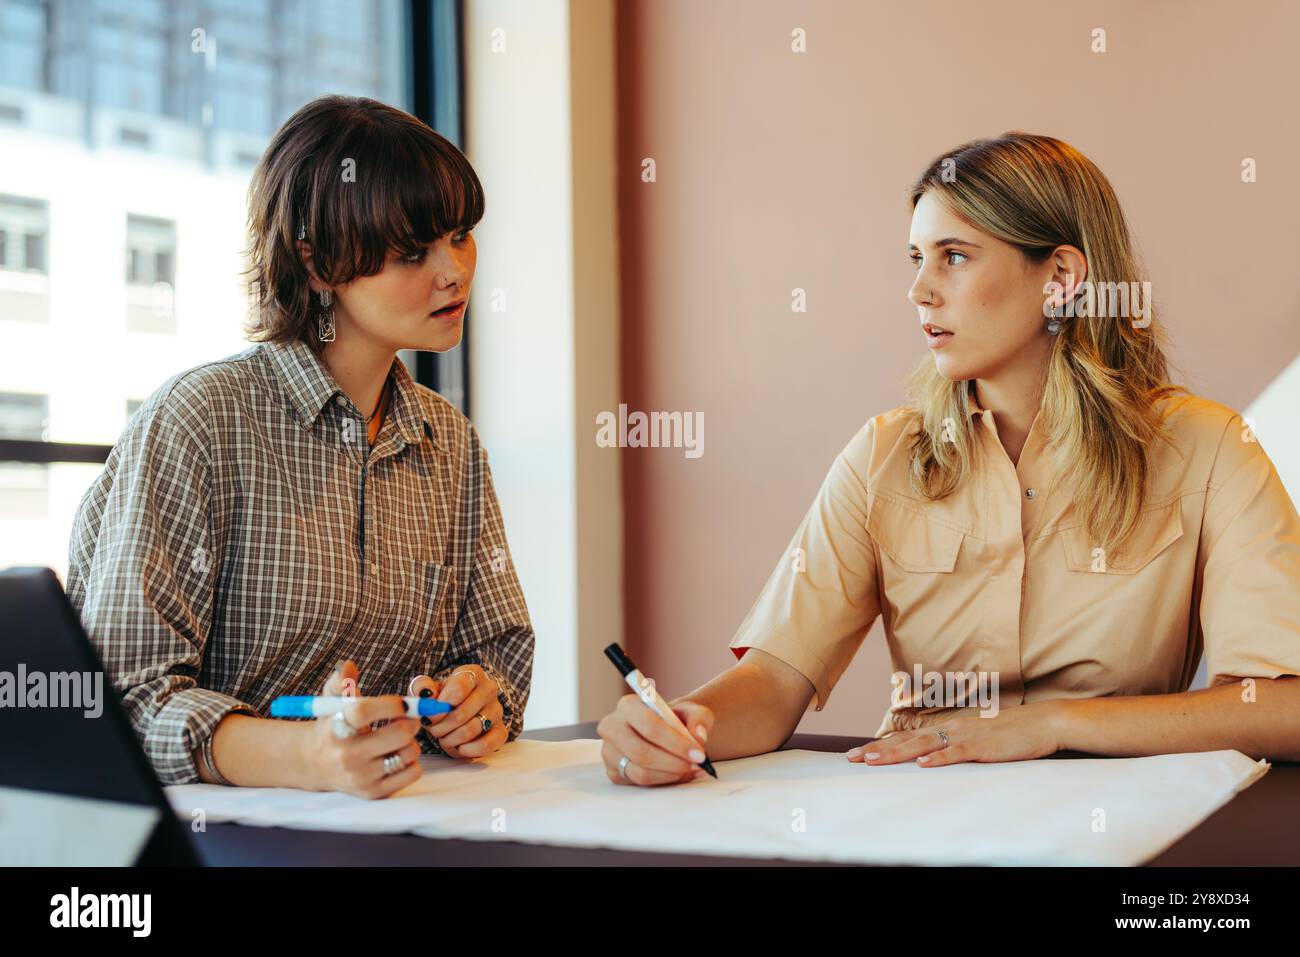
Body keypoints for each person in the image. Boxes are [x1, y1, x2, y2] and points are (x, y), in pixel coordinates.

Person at [597, 131, 1300, 786]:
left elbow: (1279, 709)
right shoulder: (881, 456)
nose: (919, 290)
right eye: (916, 259)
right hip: (917, 817)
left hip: (1114, 832)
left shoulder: (1209, 450)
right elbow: (774, 682)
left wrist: (1052, 725)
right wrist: (682, 724)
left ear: (1059, 277)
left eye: (954, 256)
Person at [67, 95, 534, 799]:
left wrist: (477, 700)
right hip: (211, 838)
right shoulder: (202, 419)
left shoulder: (452, 444)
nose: (455, 271)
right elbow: (119, 700)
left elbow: (498, 652)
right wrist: (305, 755)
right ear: (317, 264)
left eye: (460, 235)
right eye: (414, 251)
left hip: (398, 824)